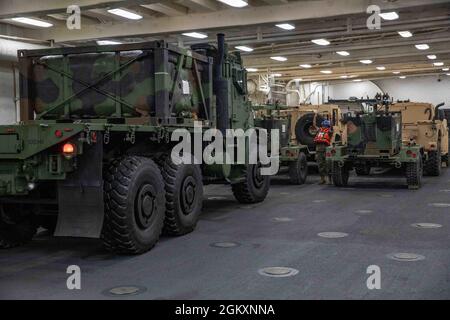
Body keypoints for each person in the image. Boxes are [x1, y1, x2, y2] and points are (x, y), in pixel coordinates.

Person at [314, 119, 332, 184]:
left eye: (325, 126)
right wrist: (315, 117)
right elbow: (314, 125)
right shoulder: (319, 130)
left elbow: (331, 131)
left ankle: (330, 179)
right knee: (320, 165)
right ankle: (322, 179)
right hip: (319, 150)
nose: (324, 127)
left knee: (328, 165)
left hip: (327, 150)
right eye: (323, 125)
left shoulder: (329, 131)